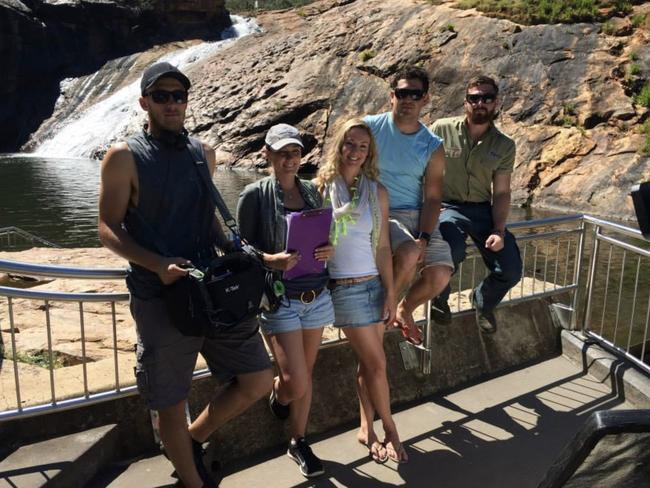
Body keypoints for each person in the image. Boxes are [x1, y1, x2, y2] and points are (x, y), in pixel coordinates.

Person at [98, 62, 273, 488]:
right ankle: (193, 483)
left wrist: (247, 252)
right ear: (145, 103)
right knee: (171, 400)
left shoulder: (203, 153)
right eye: (162, 96)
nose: (172, 103)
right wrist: (157, 264)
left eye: (179, 95)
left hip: (210, 290)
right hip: (159, 296)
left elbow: (207, 221)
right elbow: (107, 227)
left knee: (258, 379)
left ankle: (192, 441)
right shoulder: (124, 157)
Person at [237, 123, 335, 478]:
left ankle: (298, 440)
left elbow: (325, 235)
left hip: (317, 295)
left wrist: (329, 248)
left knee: (305, 375)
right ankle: (280, 397)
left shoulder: (312, 192)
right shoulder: (254, 195)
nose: (289, 159)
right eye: (282, 153)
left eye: (294, 152)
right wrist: (269, 260)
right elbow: (239, 249)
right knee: (296, 381)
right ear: (267, 154)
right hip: (280, 300)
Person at [315, 118, 408, 463]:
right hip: (345, 290)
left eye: (362, 146)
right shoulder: (321, 188)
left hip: (373, 286)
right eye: (349, 144)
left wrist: (390, 292)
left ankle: (365, 427)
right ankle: (391, 429)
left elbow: (383, 246)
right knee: (378, 364)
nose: (355, 151)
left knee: (368, 366)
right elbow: (308, 240)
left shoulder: (376, 191)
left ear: (370, 153)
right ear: (339, 145)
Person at [364, 66, 454, 346]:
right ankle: (381, 314)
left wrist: (426, 236)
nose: (408, 99)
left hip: (417, 213)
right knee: (408, 254)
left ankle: (404, 309)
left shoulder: (432, 144)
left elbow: (433, 197)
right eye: (402, 93)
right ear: (392, 96)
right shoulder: (369, 128)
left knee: (440, 275)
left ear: (425, 99)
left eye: (415, 94)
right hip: (381, 210)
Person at [430, 75, 522, 333]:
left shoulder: (505, 145)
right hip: (448, 207)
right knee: (452, 248)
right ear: (465, 102)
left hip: (483, 209)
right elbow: (421, 169)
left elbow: (502, 192)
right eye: (474, 98)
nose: (480, 103)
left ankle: (483, 301)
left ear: (496, 102)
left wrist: (499, 230)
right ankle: (439, 297)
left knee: (511, 269)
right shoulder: (440, 129)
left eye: (487, 98)